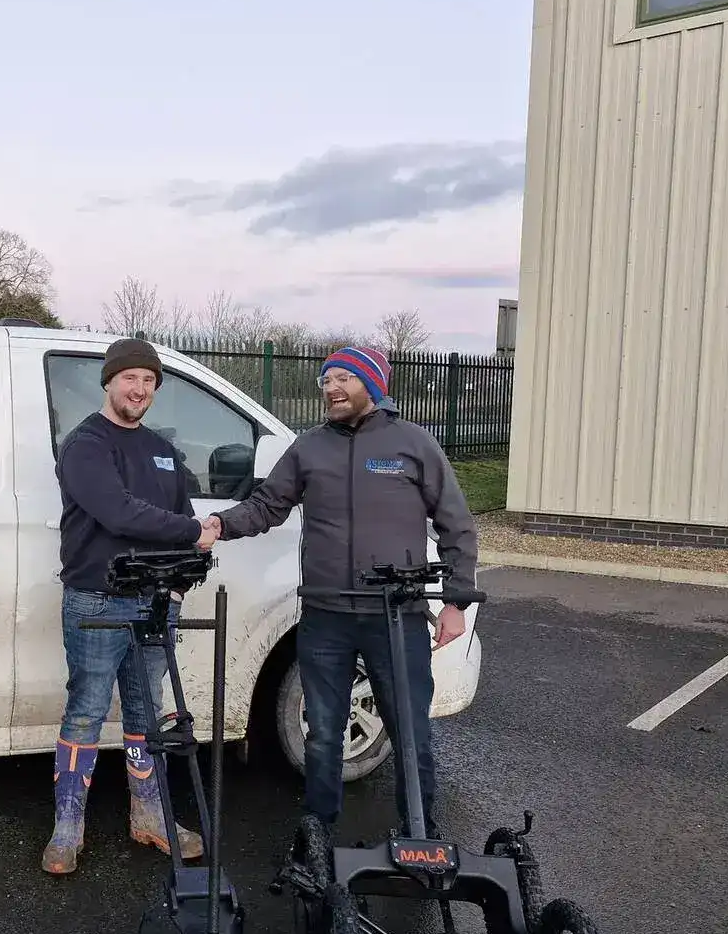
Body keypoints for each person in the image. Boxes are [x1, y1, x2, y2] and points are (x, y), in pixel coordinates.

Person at [200, 346, 479, 842]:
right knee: (323, 732)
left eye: (344, 378)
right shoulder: (310, 448)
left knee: (410, 729)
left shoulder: (413, 445)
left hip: (395, 617)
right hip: (325, 616)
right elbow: (268, 505)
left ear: (373, 386)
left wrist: (456, 601)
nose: (331, 388)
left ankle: (421, 832)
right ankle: (318, 832)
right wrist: (220, 524)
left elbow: (456, 524)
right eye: (326, 379)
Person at [42, 337, 216, 875]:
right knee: (88, 708)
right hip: (97, 599)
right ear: (109, 382)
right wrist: (194, 531)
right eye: (129, 378)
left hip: (155, 601)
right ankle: (67, 827)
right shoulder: (85, 445)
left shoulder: (162, 449)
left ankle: (150, 816)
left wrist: (182, 579)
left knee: (145, 711)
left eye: (149, 381)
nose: (139, 389)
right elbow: (118, 513)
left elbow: (181, 515)